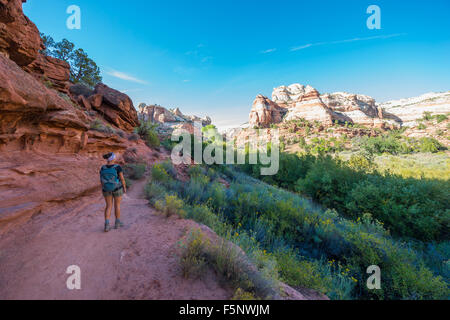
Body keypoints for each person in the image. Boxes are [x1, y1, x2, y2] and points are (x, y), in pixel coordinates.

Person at [100, 152, 127, 232]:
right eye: (114, 157)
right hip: (117, 188)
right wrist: (124, 187)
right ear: (113, 158)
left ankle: (107, 225)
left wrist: (104, 187)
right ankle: (117, 223)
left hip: (106, 189)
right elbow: (122, 179)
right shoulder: (117, 167)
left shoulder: (103, 168)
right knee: (117, 205)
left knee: (108, 206)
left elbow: (101, 180)